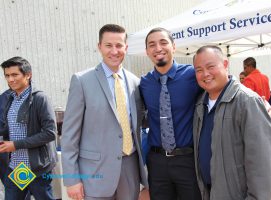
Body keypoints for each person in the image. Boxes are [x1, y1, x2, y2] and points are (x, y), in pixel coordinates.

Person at [61, 24, 148, 200]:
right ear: (99, 46)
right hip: (94, 174)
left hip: (129, 171)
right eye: (108, 45)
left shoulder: (135, 82)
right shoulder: (82, 81)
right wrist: (71, 179)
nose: (114, 51)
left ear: (126, 48)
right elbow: (69, 135)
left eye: (119, 45)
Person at [193, 46, 271, 200]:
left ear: (225, 64)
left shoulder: (247, 102)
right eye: (198, 69)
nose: (205, 74)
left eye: (211, 66)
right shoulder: (200, 104)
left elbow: (263, 164)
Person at [140, 27, 202, 200]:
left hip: (187, 160)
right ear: (147, 52)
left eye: (163, 42)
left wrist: (259, 101)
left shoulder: (192, 75)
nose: (158, 48)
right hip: (157, 162)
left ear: (174, 47)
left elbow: (221, 83)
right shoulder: (144, 83)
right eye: (152, 44)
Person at [0, 56, 57, 200]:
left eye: (15, 75)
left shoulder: (40, 98)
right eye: (7, 75)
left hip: (36, 168)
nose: (10, 79)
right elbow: (6, 128)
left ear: (28, 75)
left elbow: (50, 133)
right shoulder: (8, 98)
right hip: (18, 168)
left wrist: (15, 145)